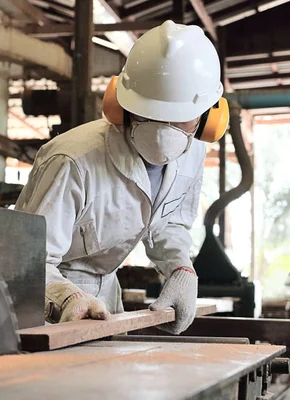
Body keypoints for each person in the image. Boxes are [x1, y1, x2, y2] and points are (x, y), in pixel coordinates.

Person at [14, 20, 229, 334]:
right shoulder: (72, 161)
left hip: (108, 304)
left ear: (210, 117)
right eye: (149, 115)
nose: (162, 135)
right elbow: (26, 263)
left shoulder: (193, 154)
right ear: (120, 104)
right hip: (47, 312)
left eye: (180, 119)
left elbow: (168, 223)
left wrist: (180, 267)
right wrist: (65, 296)